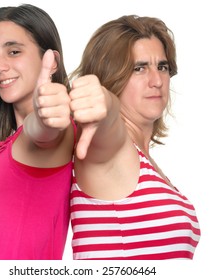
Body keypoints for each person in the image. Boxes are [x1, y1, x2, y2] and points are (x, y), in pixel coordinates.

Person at [69, 15, 201, 260]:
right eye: (138, 68)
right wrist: (104, 103)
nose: (156, 81)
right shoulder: (111, 149)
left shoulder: (145, 162)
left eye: (161, 67)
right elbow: (109, 125)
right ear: (110, 78)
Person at [0, 4, 75, 260]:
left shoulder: (51, 132)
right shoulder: (12, 140)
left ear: (51, 61)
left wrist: (45, 117)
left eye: (14, 51)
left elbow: (43, 133)